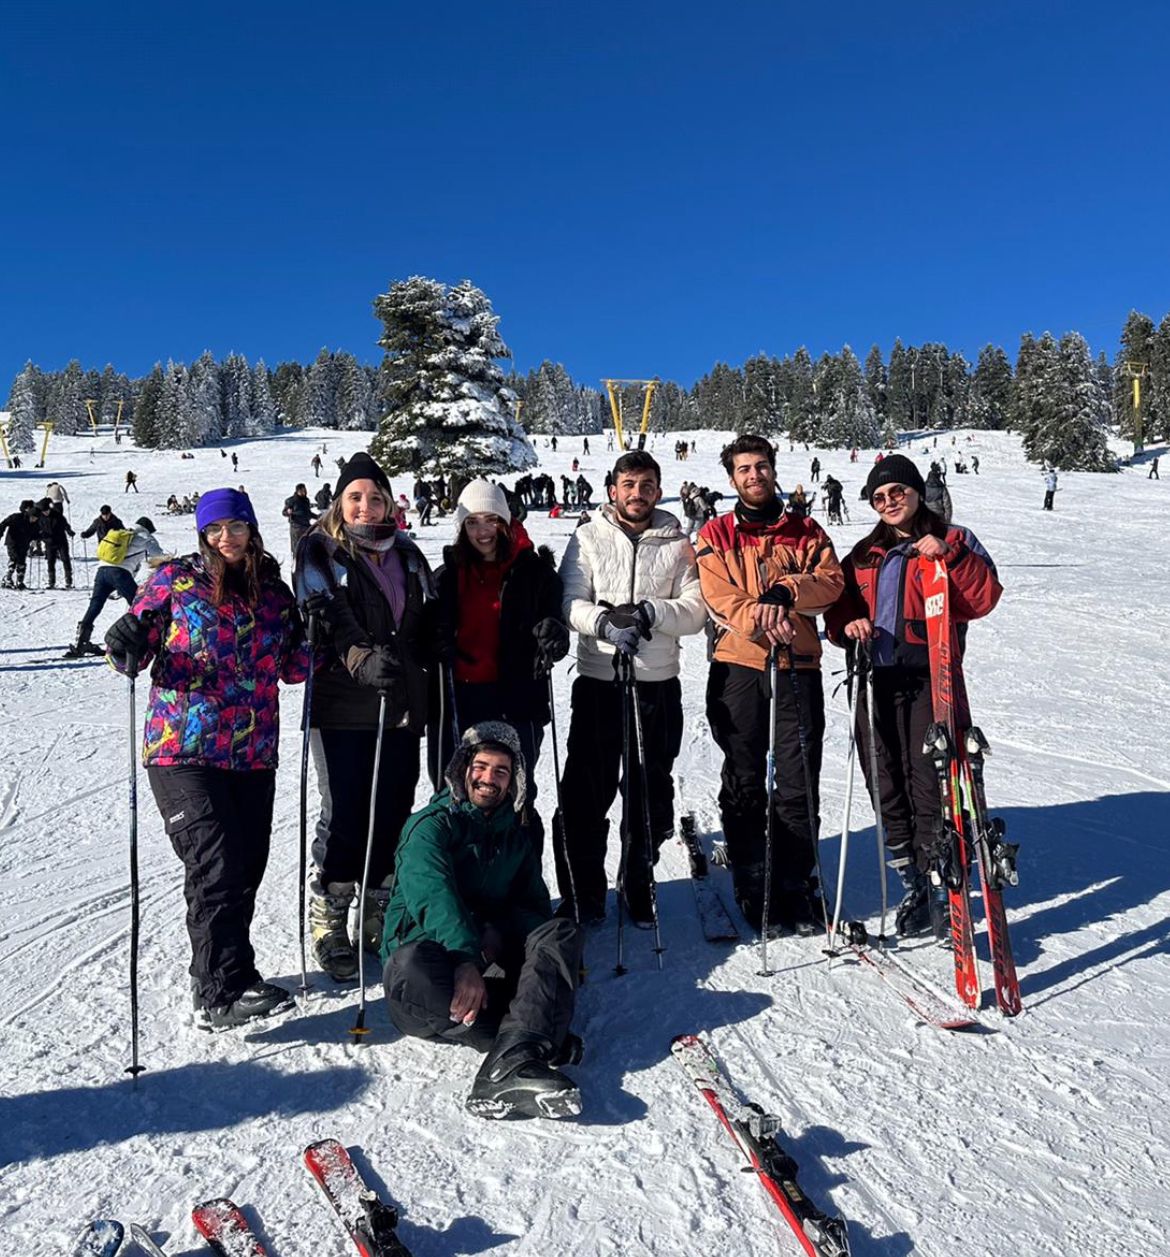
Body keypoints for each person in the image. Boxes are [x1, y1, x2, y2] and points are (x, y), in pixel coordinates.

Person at [103, 489, 310, 1029]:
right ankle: (219, 991)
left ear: (251, 529)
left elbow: (292, 668)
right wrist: (122, 638)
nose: (226, 539)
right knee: (215, 862)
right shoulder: (173, 581)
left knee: (246, 867)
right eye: (215, 530)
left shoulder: (275, 595)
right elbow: (135, 650)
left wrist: (320, 637)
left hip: (252, 753)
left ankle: (237, 973)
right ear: (202, 535)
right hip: (182, 749)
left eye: (236, 527)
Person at [825, 455, 1002, 938]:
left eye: (897, 492)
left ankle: (940, 879)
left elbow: (983, 599)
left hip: (930, 677)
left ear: (916, 491)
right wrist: (846, 625)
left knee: (930, 779)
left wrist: (950, 556)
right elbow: (839, 609)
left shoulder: (954, 539)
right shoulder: (864, 553)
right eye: (879, 498)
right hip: (873, 678)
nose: (889, 503)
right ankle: (912, 880)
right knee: (884, 777)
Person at [382, 722, 584, 1119]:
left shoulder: (516, 836)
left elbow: (534, 908)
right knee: (412, 967)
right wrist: (466, 959)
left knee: (559, 932)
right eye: (480, 766)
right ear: (462, 769)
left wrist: (497, 931)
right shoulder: (431, 826)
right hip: (431, 968)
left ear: (514, 782)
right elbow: (433, 897)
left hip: (485, 964)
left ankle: (510, 1061)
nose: (488, 778)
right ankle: (533, 1037)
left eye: (501, 771)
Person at [696, 434, 845, 933]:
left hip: (797, 666)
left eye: (761, 466)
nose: (754, 475)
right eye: (743, 469)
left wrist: (788, 590)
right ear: (732, 477)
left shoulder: (806, 529)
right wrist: (762, 615)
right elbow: (717, 593)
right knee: (743, 772)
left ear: (773, 469)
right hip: (739, 665)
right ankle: (751, 871)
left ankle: (794, 878)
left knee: (799, 776)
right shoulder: (716, 533)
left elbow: (831, 583)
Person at [297, 452, 434, 982]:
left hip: (401, 703)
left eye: (374, 497)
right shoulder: (321, 550)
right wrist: (358, 658)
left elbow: (422, 617)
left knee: (395, 807)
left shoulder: (407, 553)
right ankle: (331, 915)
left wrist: (436, 638)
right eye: (355, 496)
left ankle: (379, 904)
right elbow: (328, 614)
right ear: (340, 503)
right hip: (342, 706)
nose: (365, 505)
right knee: (348, 812)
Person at [557, 451, 706, 923]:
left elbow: (696, 610)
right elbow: (569, 600)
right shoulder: (588, 537)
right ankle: (585, 889)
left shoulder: (678, 543)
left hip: (656, 684)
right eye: (628, 484)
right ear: (612, 490)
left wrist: (651, 612)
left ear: (658, 491)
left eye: (646, 485)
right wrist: (601, 622)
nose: (636, 493)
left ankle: (638, 878)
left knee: (649, 793)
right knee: (585, 793)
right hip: (601, 682)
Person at [430, 480, 569, 847]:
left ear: (505, 522)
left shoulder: (535, 572)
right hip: (462, 698)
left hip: (516, 698)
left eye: (491, 520)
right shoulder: (448, 575)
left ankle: (517, 887)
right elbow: (424, 631)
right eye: (473, 522)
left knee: (514, 792)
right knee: (458, 791)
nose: (482, 531)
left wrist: (553, 635)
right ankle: (461, 885)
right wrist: (435, 639)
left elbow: (557, 622)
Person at [67, 516, 166, 656]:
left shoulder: (124, 532)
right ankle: (143, 640)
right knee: (139, 604)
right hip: (119, 573)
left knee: (95, 604)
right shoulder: (146, 536)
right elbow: (159, 555)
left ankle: (81, 643)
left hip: (101, 571)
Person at [0, 500, 39, 589]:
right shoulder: (16, 517)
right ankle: (7, 579)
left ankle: (20, 581)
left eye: (36, 519)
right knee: (14, 559)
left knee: (21, 562)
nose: (35, 520)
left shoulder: (35, 523)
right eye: (34, 518)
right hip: (12, 542)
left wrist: (35, 540)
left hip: (24, 544)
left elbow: (37, 533)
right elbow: (4, 523)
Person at [39, 499, 75, 589]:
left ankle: (69, 581)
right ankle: (51, 582)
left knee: (65, 559)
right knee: (50, 561)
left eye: (47, 511)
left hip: (61, 541)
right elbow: (38, 529)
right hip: (49, 543)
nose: (46, 513)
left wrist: (69, 531)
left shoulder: (57, 515)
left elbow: (65, 524)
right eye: (44, 511)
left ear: (49, 509)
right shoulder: (40, 518)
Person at [282, 483, 315, 558]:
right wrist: (288, 512)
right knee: (297, 547)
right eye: (302, 491)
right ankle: (296, 562)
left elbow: (308, 513)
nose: (304, 492)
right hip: (296, 527)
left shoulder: (306, 500)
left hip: (306, 526)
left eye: (305, 490)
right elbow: (284, 512)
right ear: (298, 491)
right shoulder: (291, 501)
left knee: (308, 546)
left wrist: (318, 517)